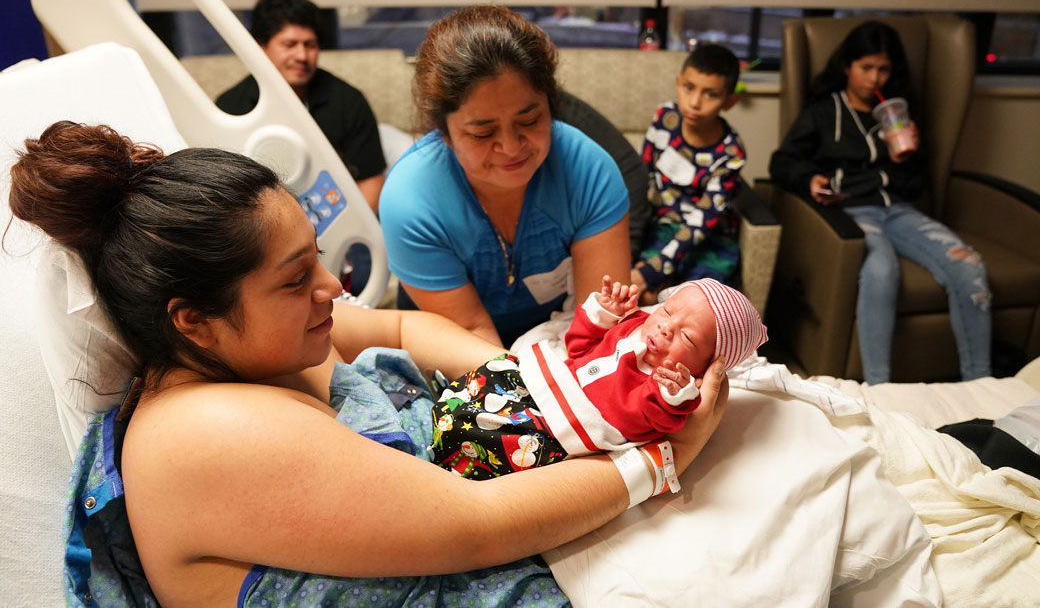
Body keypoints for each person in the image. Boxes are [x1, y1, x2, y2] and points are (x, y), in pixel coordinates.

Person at [8, 121, 729, 607]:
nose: (333, 288)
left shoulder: (258, 346)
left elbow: (396, 326)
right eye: (296, 280)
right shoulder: (202, 431)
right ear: (193, 320)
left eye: (316, 259)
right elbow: (475, 525)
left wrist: (523, 380)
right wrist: (662, 459)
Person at [379, 6, 631, 347]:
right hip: (452, 346)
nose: (511, 147)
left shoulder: (588, 171)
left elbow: (601, 325)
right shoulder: (412, 200)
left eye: (529, 121)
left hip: (556, 338)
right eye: (483, 133)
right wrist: (528, 398)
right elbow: (471, 333)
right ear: (445, 133)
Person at [769, 20, 991, 384]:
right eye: (866, 67)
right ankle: (880, 387)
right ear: (847, 66)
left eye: (883, 69)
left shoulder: (900, 114)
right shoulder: (824, 113)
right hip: (851, 213)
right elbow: (782, 162)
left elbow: (916, 185)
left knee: (970, 267)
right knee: (881, 270)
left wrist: (907, 155)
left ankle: (981, 385)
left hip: (900, 211)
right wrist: (810, 179)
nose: (875, 78)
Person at [431, 275, 766, 480]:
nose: (665, 327)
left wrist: (672, 396)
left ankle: (452, 453)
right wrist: (602, 315)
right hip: (543, 382)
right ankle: (450, 404)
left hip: (563, 426)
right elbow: (577, 348)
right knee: (496, 370)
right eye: (666, 310)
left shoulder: (670, 386)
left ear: (705, 367)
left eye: (688, 338)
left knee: (501, 441)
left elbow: (648, 421)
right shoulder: (636, 325)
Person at [217, 0, 386, 213]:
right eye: (290, 44)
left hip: (338, 218)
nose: (302, 56)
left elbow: (371, 184)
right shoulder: (230, 109)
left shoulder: (348, 101)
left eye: (310, 45)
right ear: (259, 47)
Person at [631, 43, 747, 305]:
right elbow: (643, 173)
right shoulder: (665, 117)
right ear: (678, 83)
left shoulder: (731, 152)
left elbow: (702, 221)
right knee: (643, 295)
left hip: (707, 240)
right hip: (661, 228)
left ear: (729, 101)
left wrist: (654, 269)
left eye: (711, 94)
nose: (695, 102)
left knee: (696, 306)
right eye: (689, 87)